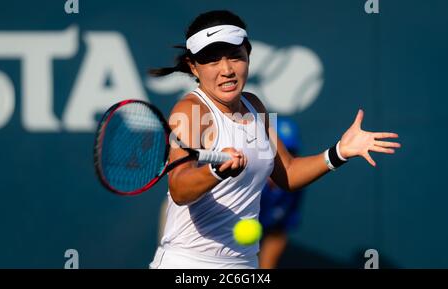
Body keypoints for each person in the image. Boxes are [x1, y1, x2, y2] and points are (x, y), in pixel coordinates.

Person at [148, 10, 400, 269]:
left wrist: (339, 152)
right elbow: (179, 188)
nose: (226, 70)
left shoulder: (254, 105)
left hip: (243, 264)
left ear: (248, 55)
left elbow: (287, 173)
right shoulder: (190, 111)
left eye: (235, 57)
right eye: (212, 61)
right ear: (193, 67)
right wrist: (216, 171)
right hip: (188, 265)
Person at [258, 117, 305, 269]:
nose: (285, 158)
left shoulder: (295, 186)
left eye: (290, 151)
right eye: (279, 151)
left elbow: (278, 233)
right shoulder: (242, 180)